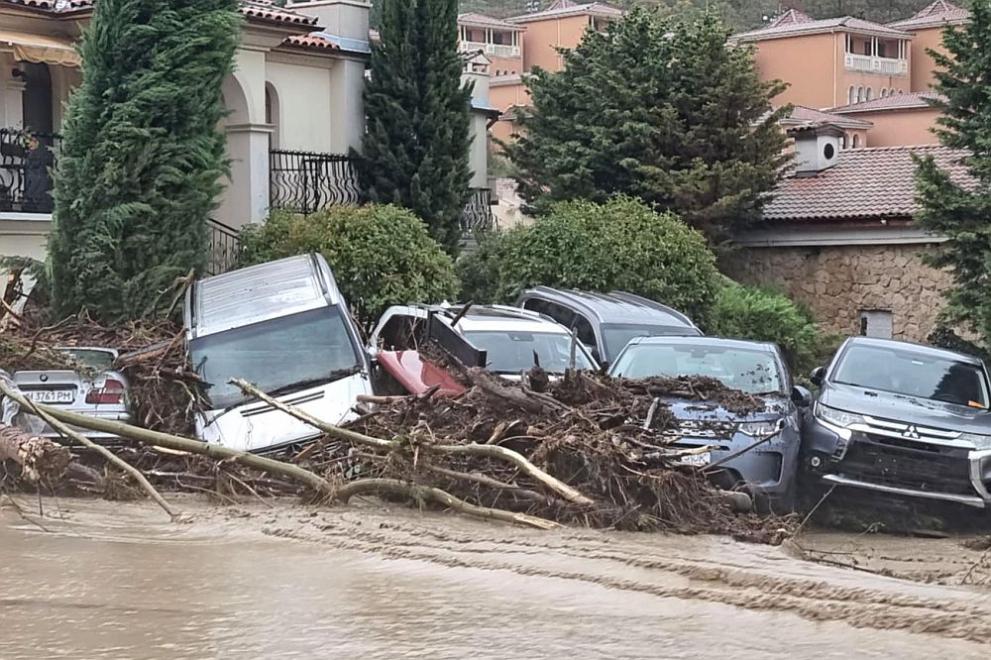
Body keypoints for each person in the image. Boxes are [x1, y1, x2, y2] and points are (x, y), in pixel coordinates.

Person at [22, 134, 53, 213]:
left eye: (31, 140)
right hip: (32, 190)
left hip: (40, 191)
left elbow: (50, 172)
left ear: (38, 142)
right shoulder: (29, 155)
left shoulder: (45, 155)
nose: (28, 143)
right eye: (27, 140)